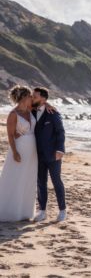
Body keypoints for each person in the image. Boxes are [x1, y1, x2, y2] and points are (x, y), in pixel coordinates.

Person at [0, 85, 38, 221]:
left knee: (29, 180)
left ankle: (25, 212)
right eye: (29, 96)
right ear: (23, 98)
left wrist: (50, 106)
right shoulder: (13, 114)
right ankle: (11, 212)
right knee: (16, 178)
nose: (31, 98)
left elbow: (43, 104)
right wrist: (15, 152)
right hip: (20, 149)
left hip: (33, 152)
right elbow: (10, 135)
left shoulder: (30, 110)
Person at [31, 87, 67, 222]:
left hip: (53, 154)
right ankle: (42, 211)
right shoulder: (32, 111)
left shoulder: (53, 113)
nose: (33, 98)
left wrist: (60, 150)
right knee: (41, 182)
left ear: (43, 98)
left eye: (35, 96)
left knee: (56, 181)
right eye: (32, 96)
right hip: (37, 154)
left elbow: (60, 132)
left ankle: (63, 210)